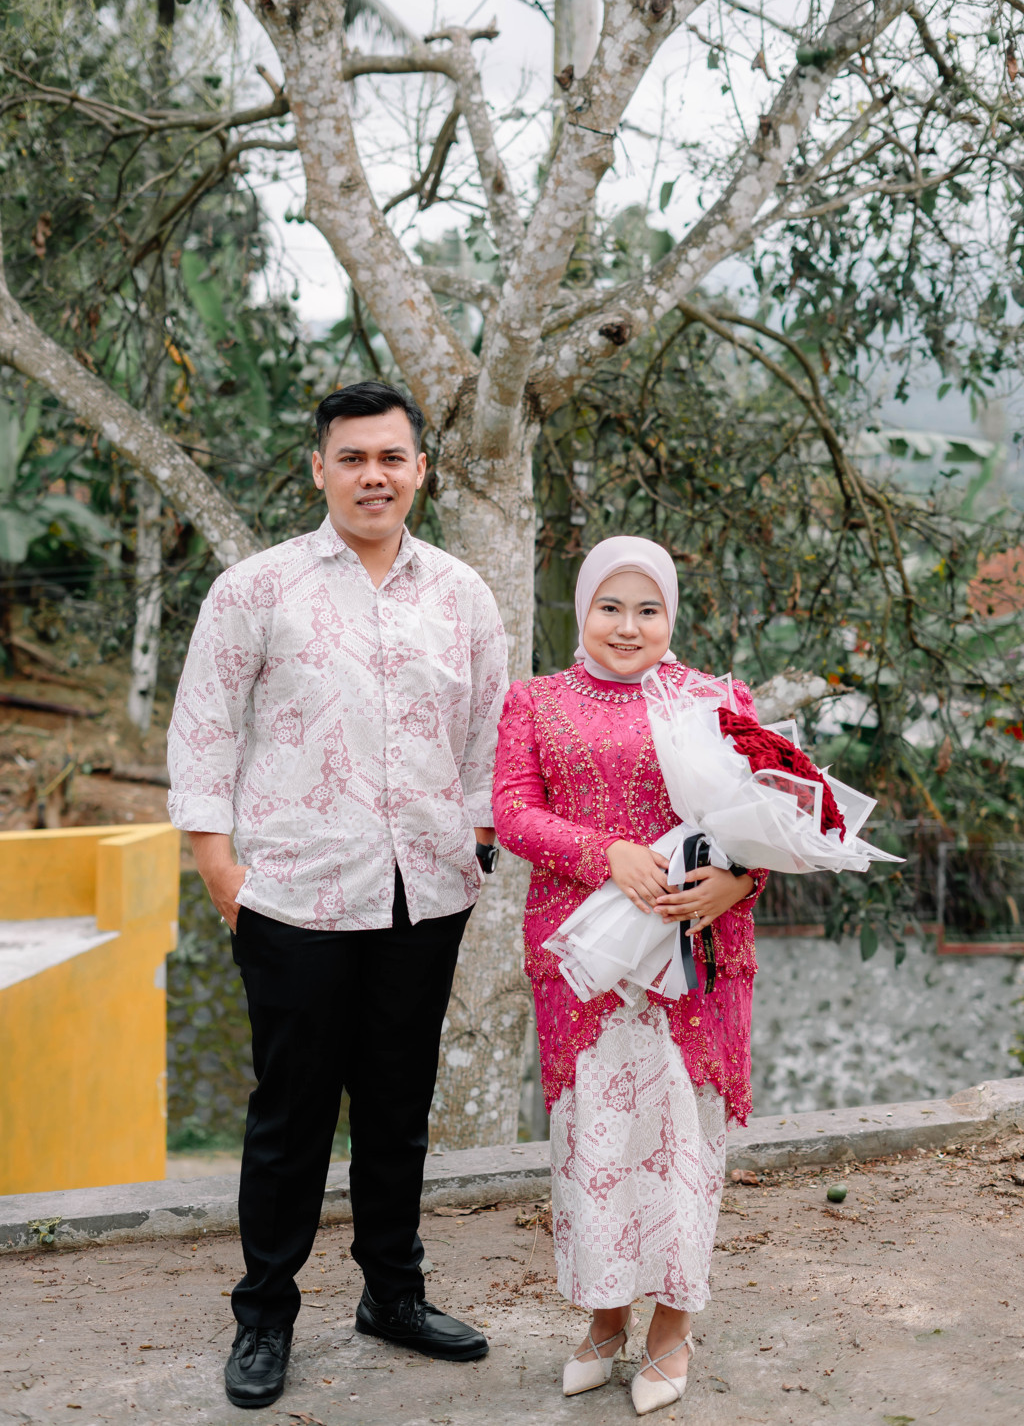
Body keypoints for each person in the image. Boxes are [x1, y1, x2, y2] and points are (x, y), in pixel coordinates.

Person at [167, 380, 508, 1410]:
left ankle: (393, 1295)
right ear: (319, 468)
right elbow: (204, 728)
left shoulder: (462, 594)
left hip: (425, 891)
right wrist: (220, 868)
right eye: (352, 457)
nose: (373, 475)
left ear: (420, 471)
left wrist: (476, 842)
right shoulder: (257, 588)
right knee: (291, 1113)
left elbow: (489, 734)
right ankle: (264, 1314)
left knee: (398, 1108)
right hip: (294, 895)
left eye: (391, 457)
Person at [492, 535, 766, 1418]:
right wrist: (605, 852)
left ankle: (673, 1325)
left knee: (684, 1138)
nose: (627, 626)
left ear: (671, 616)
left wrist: (738, 882)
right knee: (598, 1143)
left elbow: (766, 816)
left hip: (695, 956)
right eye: (610, 606)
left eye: (648, 609)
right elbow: (512, 811)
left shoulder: (715, 701)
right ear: (583, 611)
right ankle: (605, 1317)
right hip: (587, 960)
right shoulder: (535, 702)